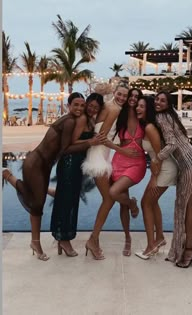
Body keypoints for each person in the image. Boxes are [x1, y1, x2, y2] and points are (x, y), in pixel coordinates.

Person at [2, 92, 106, 261]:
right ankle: (37, 241)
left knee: (45, 199)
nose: (80, 108)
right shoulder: (71, 121)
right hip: (36, 163)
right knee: (37, 204)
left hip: (45, 164)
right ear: (68, 105)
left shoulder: (77, 119)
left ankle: (58, 239)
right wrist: (89, 142)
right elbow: (65, 149)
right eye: (76, 105)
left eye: (82, 105)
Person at [82, 82, 140, 260]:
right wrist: (122, 150)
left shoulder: (110, 106)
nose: (122, 98)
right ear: (115, 93)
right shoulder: (113, 109)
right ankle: (93, 239)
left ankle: (95, 239)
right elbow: (101, 138)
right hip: (98, 157)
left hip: (102, 155)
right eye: (120, 94)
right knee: (108, 199)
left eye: (125, 95)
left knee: (108, 199)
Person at [154, 91, 192, 267]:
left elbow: (172, 144)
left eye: (162, 100)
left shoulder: (162, 117)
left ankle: (189, 250)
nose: (158, 102)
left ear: (168, 104)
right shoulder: (171, 117)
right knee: (191, 207)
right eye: (157, 99)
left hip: (190, 166)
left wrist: (157, 158)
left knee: (187, 208)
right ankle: (190, 248)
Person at [50, 93, 104, 257]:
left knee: (71, 201)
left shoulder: (88, 119)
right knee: (66, 202)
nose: (90, 108)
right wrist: (90, 142)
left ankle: (63, 238)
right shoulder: (79, 120)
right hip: (69, 164)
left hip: (76, 164)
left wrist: (92, 139)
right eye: (90, 105)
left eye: (96, 107)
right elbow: (68, 146)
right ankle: (63, 239)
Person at [134, 96, 178, 260]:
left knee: (146, 203)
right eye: (137, 106)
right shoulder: (147, 125)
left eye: (142, 107)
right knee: (152, 202)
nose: (138, 109)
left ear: (149, 109)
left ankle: (150, 245)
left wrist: (153, 178)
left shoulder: (151, 127)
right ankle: (159, 238)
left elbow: (159, 155)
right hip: (161, 168)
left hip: (164, 168)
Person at [108, 88, 146, 256]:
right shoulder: (119, 115)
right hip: (119, 160)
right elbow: (104, 137)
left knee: (114, 192)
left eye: (137, 97)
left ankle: (132, 203)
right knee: (122, 202)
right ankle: (128, 238)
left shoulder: (143, 117)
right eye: (131, 96)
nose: (133, 99)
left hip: (137, 163)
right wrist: (121, 150)